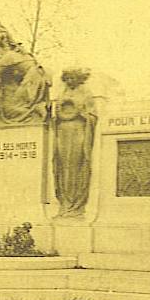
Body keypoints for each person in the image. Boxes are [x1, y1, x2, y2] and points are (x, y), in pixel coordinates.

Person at [53, 69, 97, 217]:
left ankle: (75, 205)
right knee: (62, 166)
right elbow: (56, 114)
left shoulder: (86, 93)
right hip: (62, 130)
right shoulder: (61, 94)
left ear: (78, 79)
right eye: (67, 78)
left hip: (78, 130)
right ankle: (64, 203)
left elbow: (92, 115)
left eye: (72, 78)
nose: (69, 81)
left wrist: (80, 112)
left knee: (75, 166)